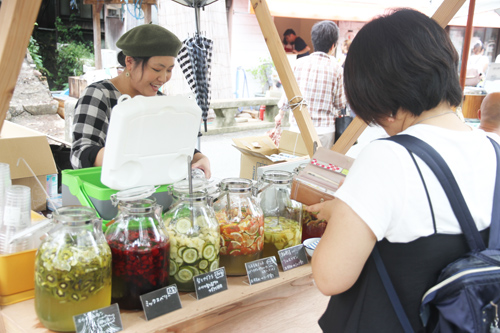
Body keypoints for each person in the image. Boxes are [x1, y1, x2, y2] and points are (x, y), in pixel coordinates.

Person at [308, 9, 499, 332]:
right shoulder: (495, 150)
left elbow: (330, 276)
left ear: (381, 98)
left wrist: (340, 215)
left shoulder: (388, 158)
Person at [70, 24, 211, 178]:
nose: (163, 78)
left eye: (169, 70)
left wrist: (200, 158)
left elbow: (177, 147)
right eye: (157, 69)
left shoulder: (161, 102)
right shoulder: (99, 95)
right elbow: (79, 156)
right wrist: (133, 155)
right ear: (129, 62)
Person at [276, 21, 346, 149]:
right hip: (324, 131)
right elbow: (340, 104)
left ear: (314, 42)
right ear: (333, 46)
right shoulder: (337, 69)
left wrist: (280, 114)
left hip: (298, 128)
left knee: (296, 167)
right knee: (318, 167)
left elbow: (287, 96)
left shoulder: (298, 64)